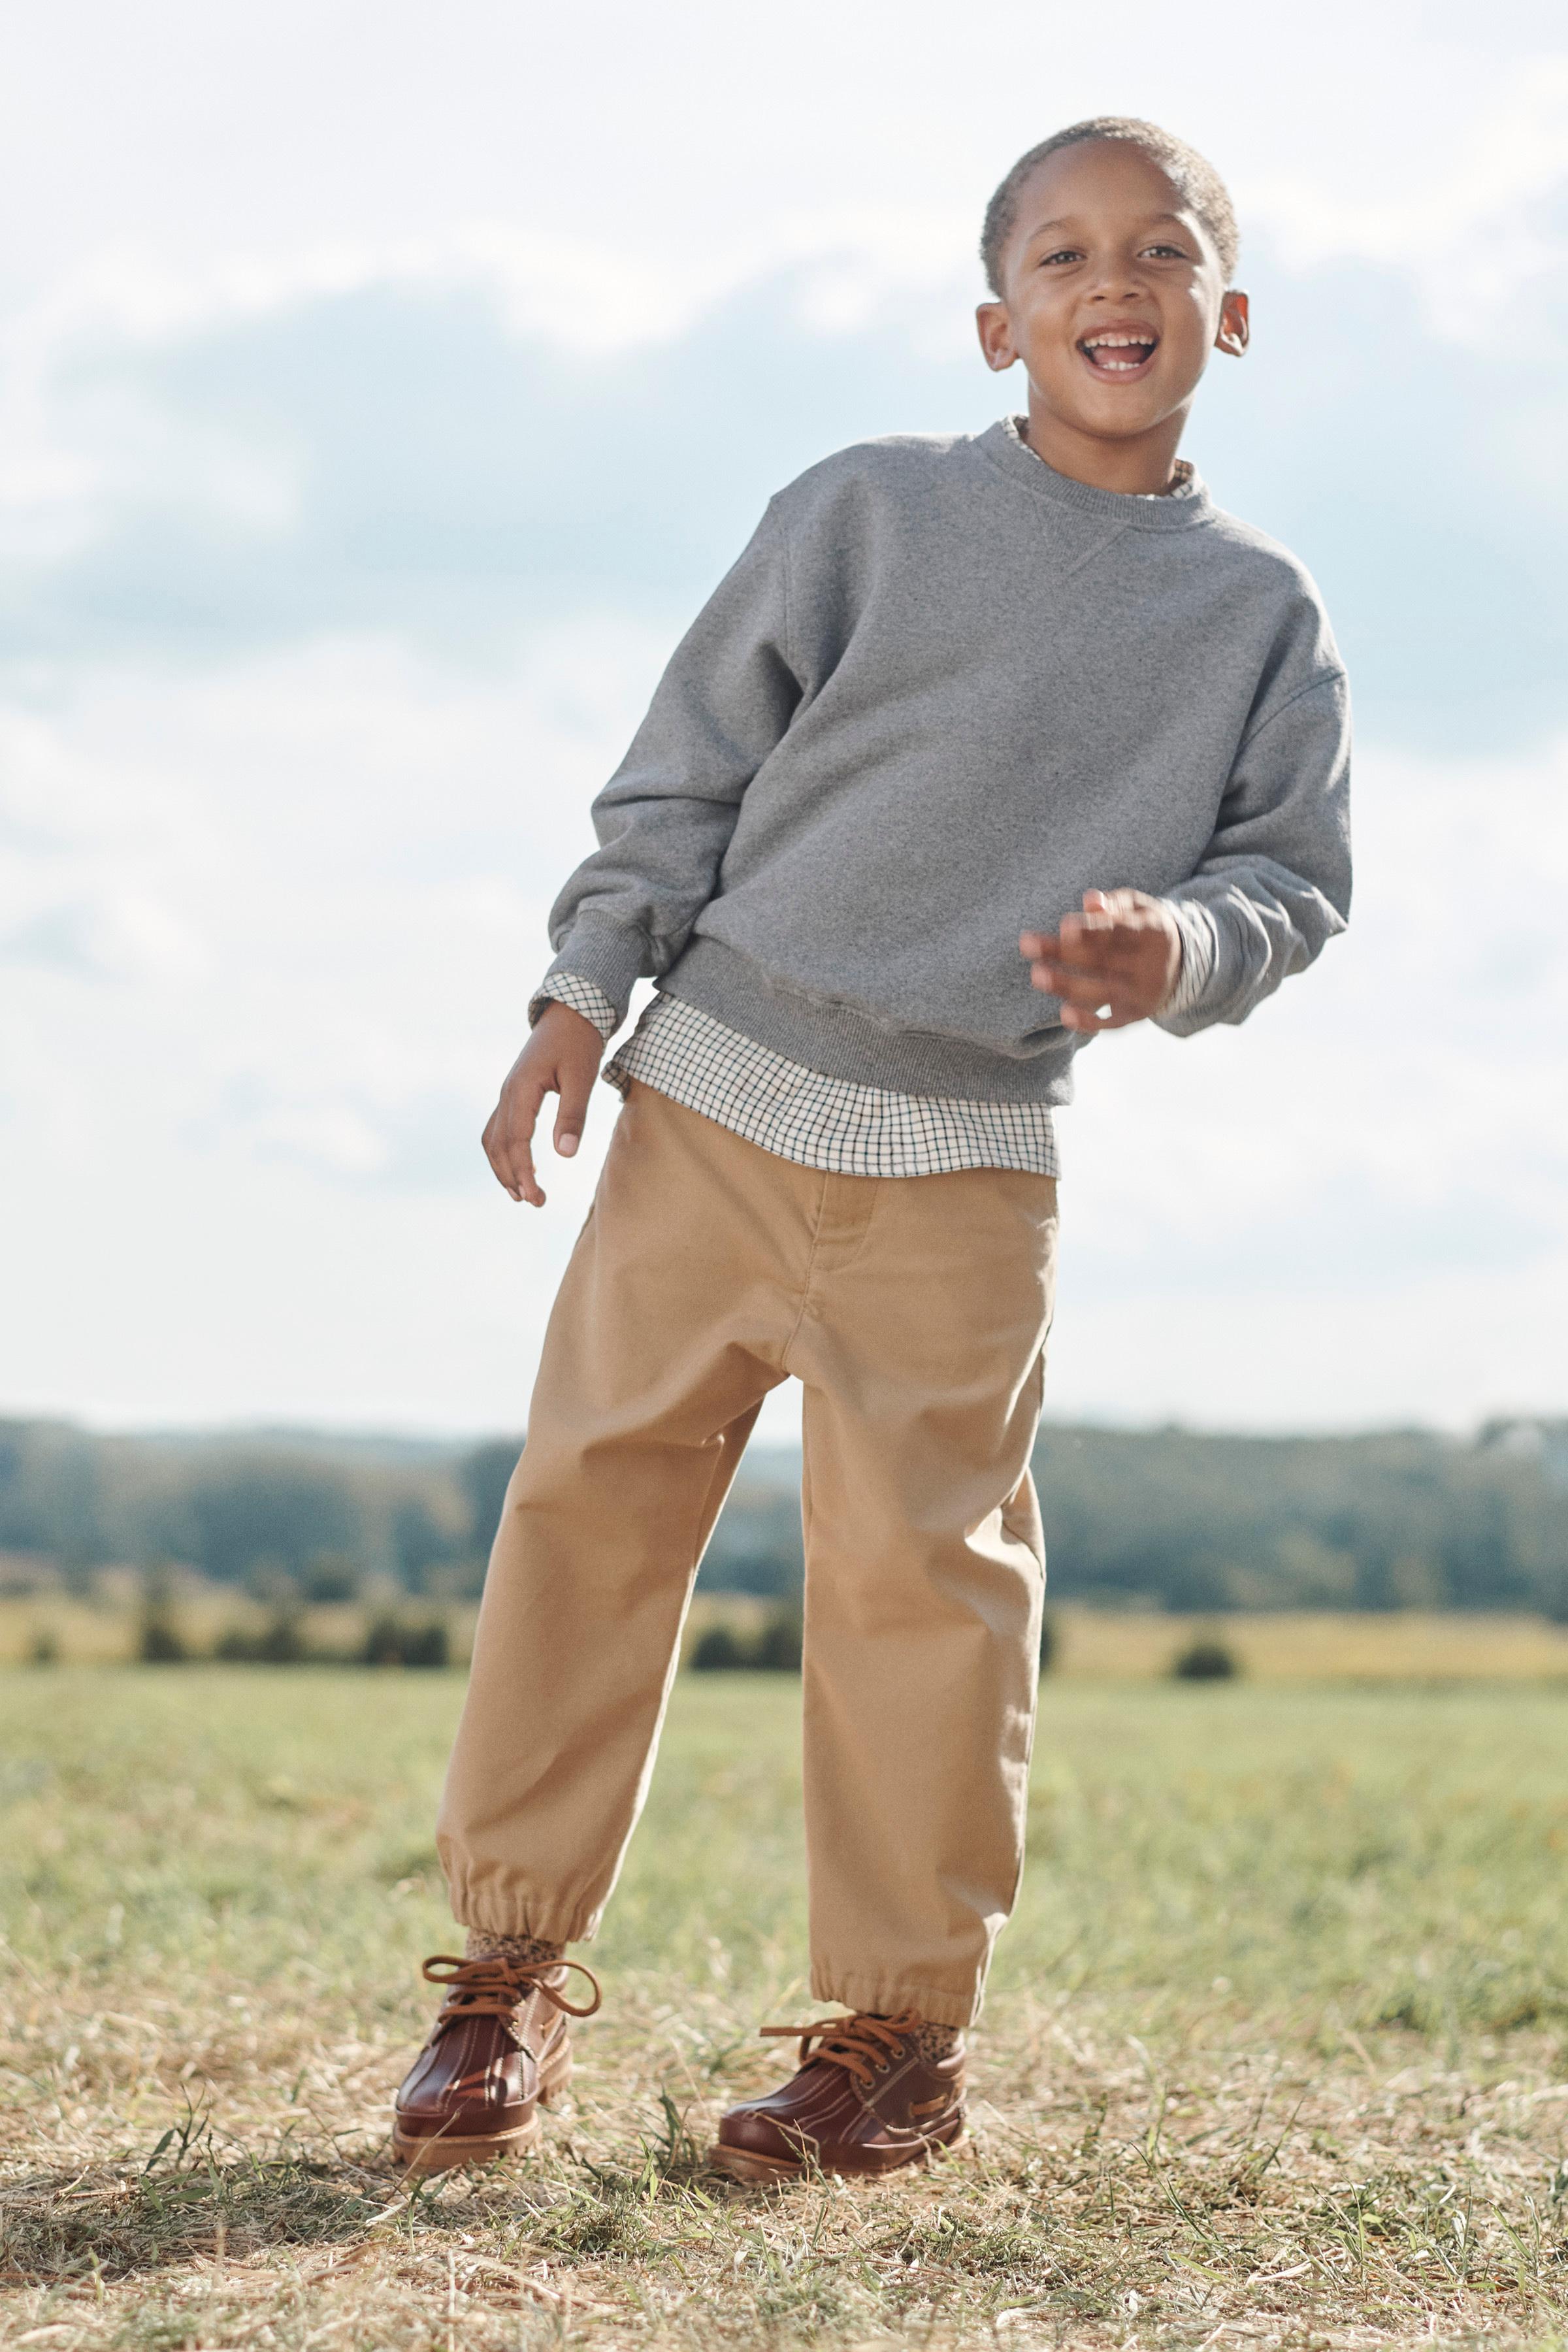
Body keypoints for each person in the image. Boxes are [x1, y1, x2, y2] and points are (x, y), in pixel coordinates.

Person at [391, 116, 1351, 2179]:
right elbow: (685, 775)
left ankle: (892, 2046)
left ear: (1231, 312)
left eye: (1164, 252)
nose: (1119, 282)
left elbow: (1293, 880)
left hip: (972, 1157)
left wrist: (1169, 943)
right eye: (1070, 254)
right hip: (716, 1098)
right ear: (996, 317)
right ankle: (496, 1986)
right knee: (587, 1514)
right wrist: (580, 997)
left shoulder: (1259, 614)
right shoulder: (864, 512)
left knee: (927, 1586)